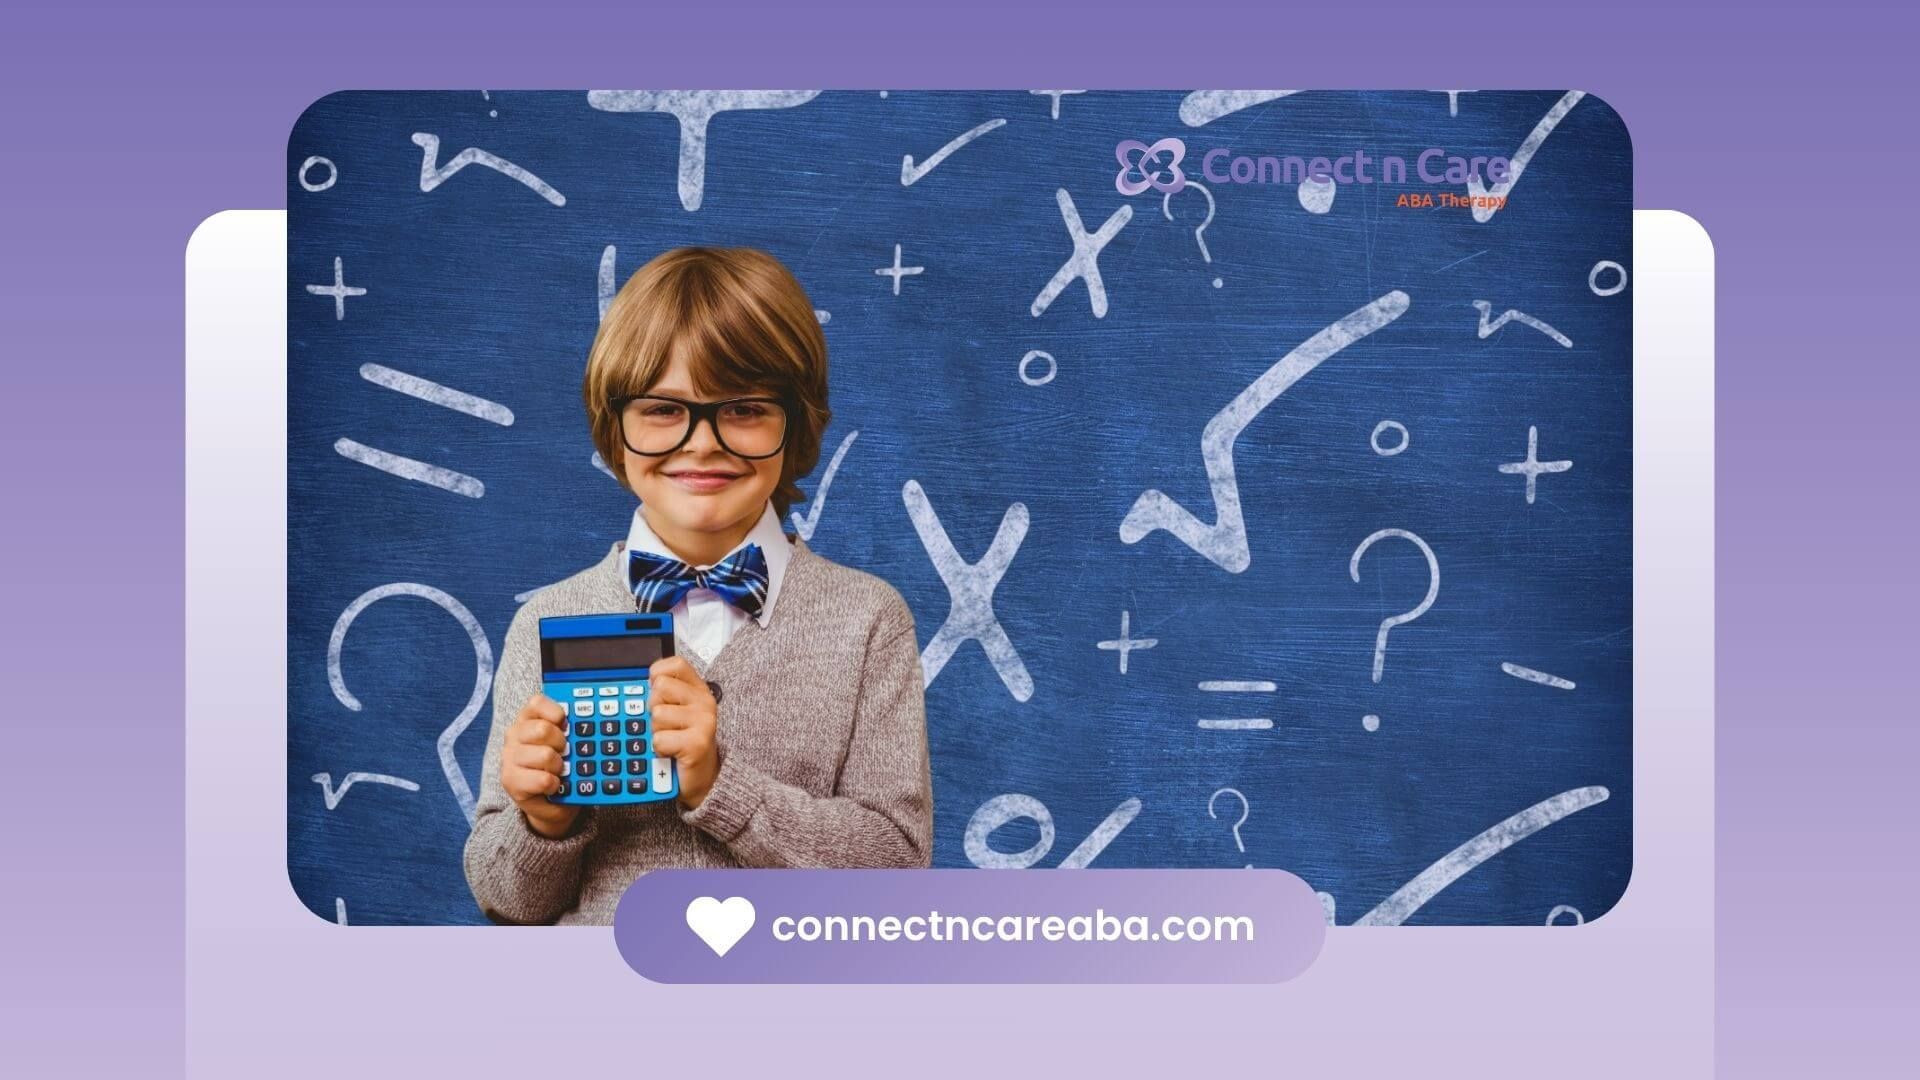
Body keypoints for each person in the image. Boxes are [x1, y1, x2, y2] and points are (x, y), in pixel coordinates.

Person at [463, 246, 933, 925]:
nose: (703, 443)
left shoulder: (868, 620)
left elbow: (898, 868)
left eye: (743, 409)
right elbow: (504, 899)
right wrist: (544, 822)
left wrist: (721, 785)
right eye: (662, 410)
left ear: (794, 422)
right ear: (614, 428)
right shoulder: (547, 618)